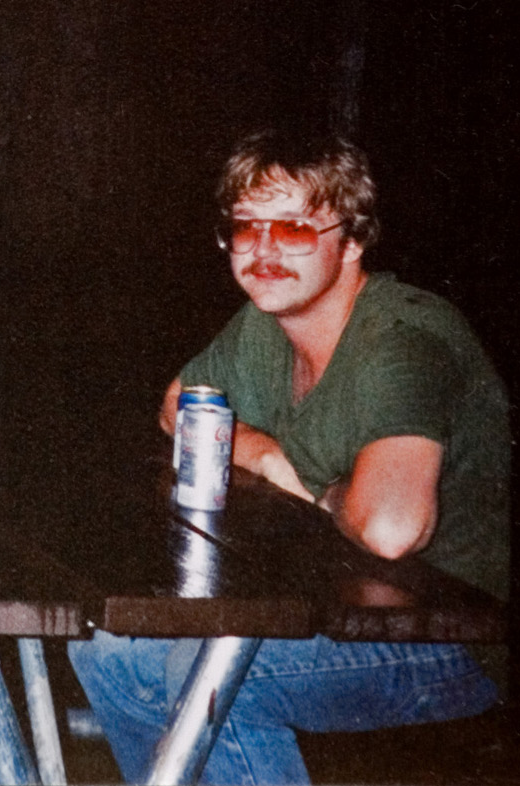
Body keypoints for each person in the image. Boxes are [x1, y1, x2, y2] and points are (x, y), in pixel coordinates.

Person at [69, 130, 508, 785]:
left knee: (213, 682)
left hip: (456, 637)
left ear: (353, 240)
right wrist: (265, 453)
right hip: (335, 600)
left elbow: (391, 528)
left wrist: (319, 492)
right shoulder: (266, 324)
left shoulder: (404, 341)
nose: (265, 250)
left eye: (296, 229)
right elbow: (176, 407)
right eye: (246, 228)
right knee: (111, 648)